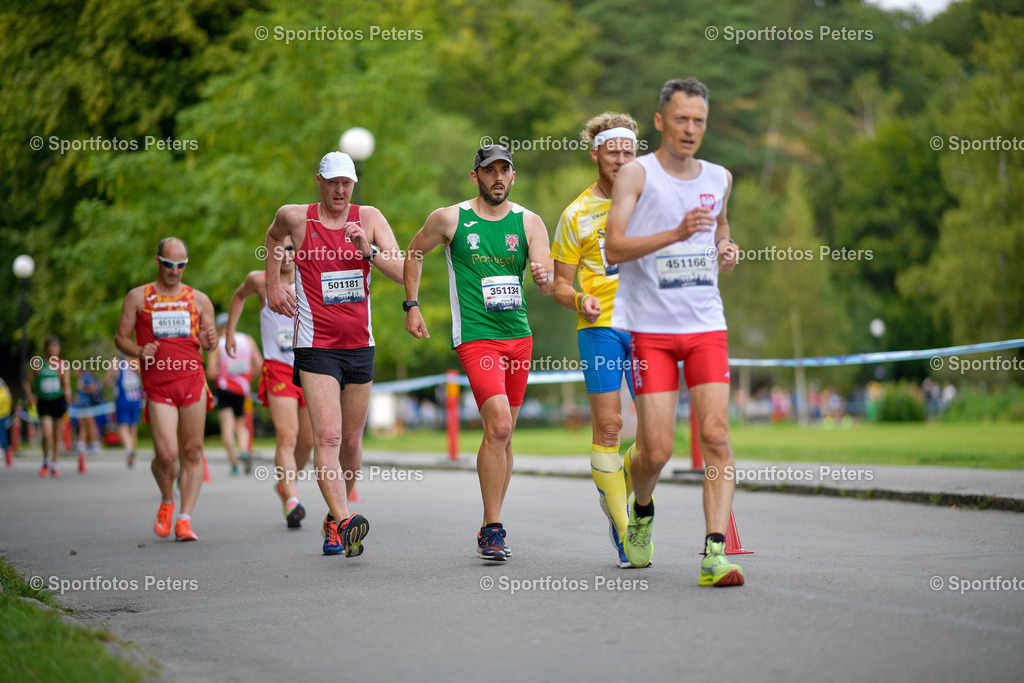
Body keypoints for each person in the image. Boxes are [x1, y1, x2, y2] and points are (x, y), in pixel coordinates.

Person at [604, 77, 744, 586]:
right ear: (660, 121)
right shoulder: (637, 175)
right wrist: (676, 233)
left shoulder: (719, 176)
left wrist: (725, 246)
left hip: (706, 324)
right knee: (656, 451)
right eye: (681, 119)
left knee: (715, 435)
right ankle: (640, 508)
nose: (690, 130)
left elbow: (721, 225)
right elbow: (614, 249)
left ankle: (714, 554)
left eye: (699, 121)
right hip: (650, 330)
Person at [404, 144, 554, 561]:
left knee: (504, 436)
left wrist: (543, 275)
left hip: (519, 337)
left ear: (513, 176)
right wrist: (411, 304)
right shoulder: (450, 218)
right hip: (476, 336)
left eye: (505, 170)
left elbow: (545, 279)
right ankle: (492, 526)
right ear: (476, 177)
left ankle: (494, 519)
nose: (498, 178)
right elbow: (414, 251)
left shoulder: (530, 222)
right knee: (501, 426)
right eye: (490, 171)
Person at [265, 151, 405, 556]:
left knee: (351, 445)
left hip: (360, 344)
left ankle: (332, 516)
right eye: (333, 182)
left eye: (347, 182)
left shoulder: (371, 218)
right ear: (320, 182)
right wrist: (274, 284)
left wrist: (369, 251)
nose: (340, 189)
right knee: (328, 434)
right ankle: (346, 522)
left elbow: (403, 270)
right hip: (316, 345)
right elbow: (274, 238)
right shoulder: (296, 218)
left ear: (353, 185)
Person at [551, 113, 640, 568]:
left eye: (629, 151)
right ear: (596, 154)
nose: (621, 160)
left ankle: (627, 485)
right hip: (601, 327)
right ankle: (625, 530)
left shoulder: (654, 201)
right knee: (609, 428)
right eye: (612, 151)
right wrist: (578, 298)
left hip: (649, 325)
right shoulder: (576, 214)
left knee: (657, 436)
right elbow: (557, 284)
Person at [115, 237, 217, 542]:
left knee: (192, 450)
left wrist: (211, 340)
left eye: (181, 265)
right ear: (158, 262)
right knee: (168, 456)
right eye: (169, 264)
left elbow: (208, 342)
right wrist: (137, 350)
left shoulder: (199, 300)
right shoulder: (138, 297)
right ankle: (167, 499)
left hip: (192, 380)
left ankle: (185, 519)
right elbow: (120, 338)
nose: (175, 271)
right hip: (158, 385)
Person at [225, 238, 313, 529]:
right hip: (277, 368)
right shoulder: (260, 280)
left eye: (291, 249)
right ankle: (291, 499)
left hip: (311, 366)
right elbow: (238, 297)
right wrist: (230, 333)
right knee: (287, 435)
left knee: (308, 441)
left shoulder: (310, 276)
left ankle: (285, 484)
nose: (286, 255)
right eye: (280, 250)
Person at [207, 312, 262, 475]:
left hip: (224, 389)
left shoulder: (218, 344)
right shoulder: (247, 340)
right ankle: (245, 450)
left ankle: (234, 464)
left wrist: (222, 372)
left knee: (227, 428)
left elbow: (210, 373)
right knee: (241, 423)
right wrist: (247, 377)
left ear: (218, 327)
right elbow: (259, 364)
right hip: (242, 389)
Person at [24, 336, 72, 477]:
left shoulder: (62, 365)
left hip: (58, 401)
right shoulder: (38, 364)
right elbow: (27, 383)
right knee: (47, 433)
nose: (52, 349)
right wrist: (30, 395)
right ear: (45, 349)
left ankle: (55, 464)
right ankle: (46, 460)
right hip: (44, 402)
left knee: (57, 435)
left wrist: (68, 393)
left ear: (59, 349)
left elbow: (67, 385)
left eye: (55, 347)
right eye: (49, 347)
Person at [106, 355, 144, 468]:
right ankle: (131, 452)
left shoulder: (117, 363)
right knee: (133, 428)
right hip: (136, 400)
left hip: (123, 399)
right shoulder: (135, 361)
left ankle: (129, 449)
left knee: (123, 426)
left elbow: (107, 381)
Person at [74, 368, 105, 456]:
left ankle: (95, 444)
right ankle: (82, 444)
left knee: (91, 425)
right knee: (83, 426)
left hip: (87, 405)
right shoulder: (82, 377)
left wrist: (83, 388)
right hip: (81, 405)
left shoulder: (86, 377)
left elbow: (93, 388)